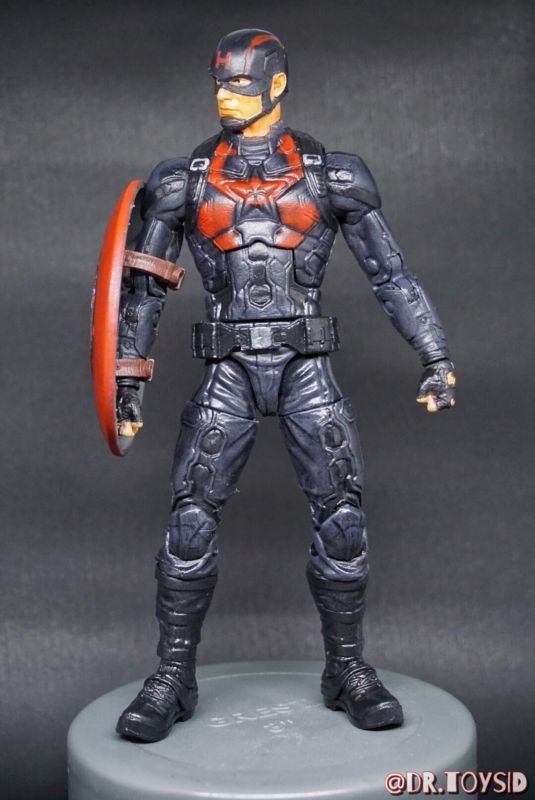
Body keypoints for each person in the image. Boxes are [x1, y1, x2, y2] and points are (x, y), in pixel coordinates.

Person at [113, 28, 456, 742]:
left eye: (240, 84)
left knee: (342, 520)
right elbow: (143, 291)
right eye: (219, 84)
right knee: (189, 524)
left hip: (307, 369)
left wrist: (434, 355)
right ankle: (172, 677)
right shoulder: (182, 181)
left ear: (276, 85)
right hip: (227, 370)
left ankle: (347, 668)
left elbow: (390, 274)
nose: (225, 96)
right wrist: (127, 383)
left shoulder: (333, 176)